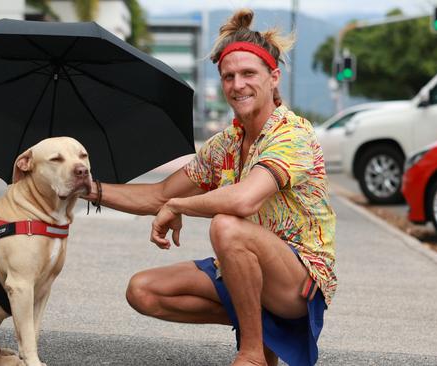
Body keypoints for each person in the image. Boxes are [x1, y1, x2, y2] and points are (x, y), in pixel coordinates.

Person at [83, 8, 336, 366]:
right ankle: (261, 332)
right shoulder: (225, 144)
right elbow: (159, 194)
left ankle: (252, 355)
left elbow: (245, 200)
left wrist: (179, 206)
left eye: (249, 73)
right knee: (143, 290)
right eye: (228, 76)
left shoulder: (292, 134)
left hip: (298, 282)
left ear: (273, 77)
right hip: (246, 269)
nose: (237, 85)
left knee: (227, 225)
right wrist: (88, 189)